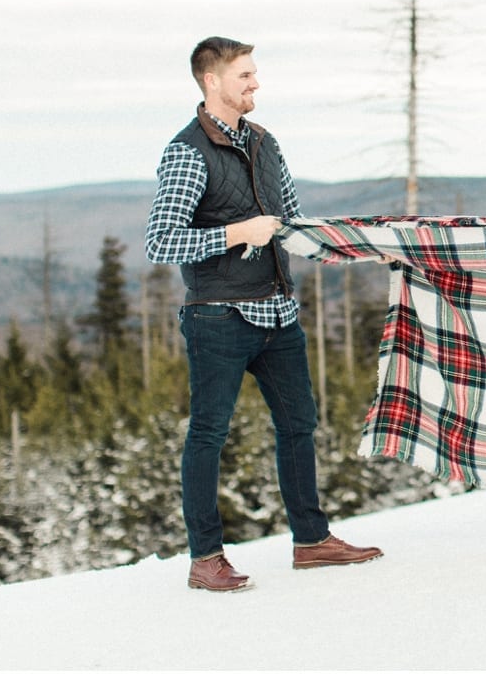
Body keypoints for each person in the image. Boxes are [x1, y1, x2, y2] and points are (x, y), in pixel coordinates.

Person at [145, 36, 383, 591]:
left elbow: (292, 220)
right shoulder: (186, 151)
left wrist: (357, 243)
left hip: (277, 314)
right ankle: (206, 560)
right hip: (217, 318)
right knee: (208, 434)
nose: (256, 84)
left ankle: (312, 541)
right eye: (245, 75)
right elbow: (160, 241)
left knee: (300, 424)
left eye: (255, 74)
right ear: (212, 81)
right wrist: (236, 233)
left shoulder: (266, 143)